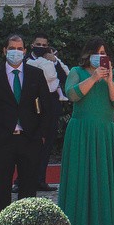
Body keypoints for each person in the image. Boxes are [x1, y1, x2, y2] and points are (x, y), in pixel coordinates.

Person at [59, 39, 114, 225]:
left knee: (104, 178)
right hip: (80, 133)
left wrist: (108, 81)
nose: (101, 56)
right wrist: (93, 77)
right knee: (79, 178)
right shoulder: (76, 72)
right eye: (97, 53)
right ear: (88, 54)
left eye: (104, 53)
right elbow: (72, 94)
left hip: (104, 133)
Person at [0, 34, 57, 219]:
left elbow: (46, 106)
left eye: (19, 48)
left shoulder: (36, 75)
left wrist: (41, 135)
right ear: (5, 50)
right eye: (12, 48)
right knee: (1, 191)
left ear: (24, 51)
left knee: (29, 192)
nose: (16, 52)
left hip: (29, 140)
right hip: (1, 141)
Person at [26, 35, 66, 193]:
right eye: (38, 44)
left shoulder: (53, 60)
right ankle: (21, 180)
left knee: (47, 142)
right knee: (29, 143)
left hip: (50, 103)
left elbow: (65, 77)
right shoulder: (25, 60)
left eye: (44, 44)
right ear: (32, 45)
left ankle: (40, 179)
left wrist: (55, 61)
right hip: (32, 103)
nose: (41, 47)